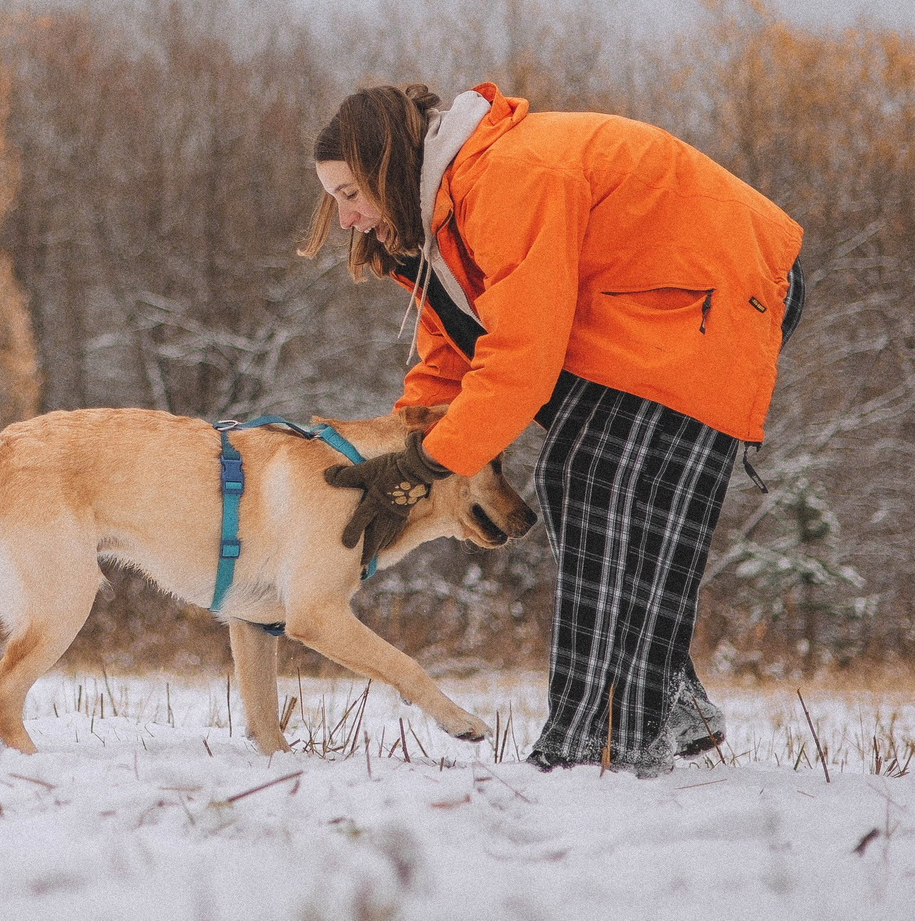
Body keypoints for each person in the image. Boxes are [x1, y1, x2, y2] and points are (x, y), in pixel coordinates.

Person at [305, 82, 803, 776]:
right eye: (334, 200)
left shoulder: (508, 177)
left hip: (719, 286)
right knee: (590, 483)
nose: (347, 217)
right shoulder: (437, 221)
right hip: (647, 301)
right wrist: (402, 449)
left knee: (588, 475)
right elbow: (451, 350)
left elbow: (520, 358)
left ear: (387, 164)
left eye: (350, 193)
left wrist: (428, 466)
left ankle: (603, 744)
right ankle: (657, 710)